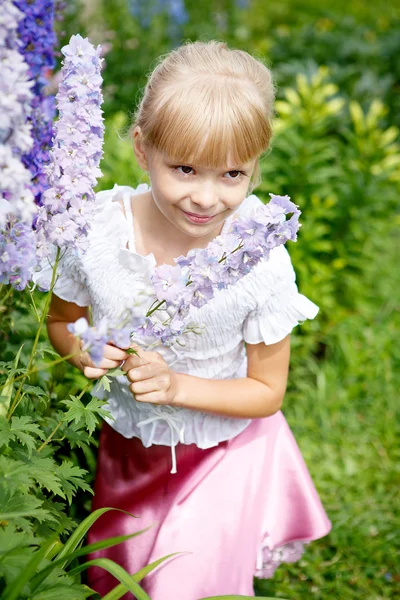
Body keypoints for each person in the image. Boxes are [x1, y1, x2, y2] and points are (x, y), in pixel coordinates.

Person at [43, 40, 331, 599]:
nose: (205, 197)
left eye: (232, 175)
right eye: (184, 168)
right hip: (129, 451)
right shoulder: (97, 231)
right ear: (142, 148)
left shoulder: (259, 258)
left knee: (184, 585)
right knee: (122, 581)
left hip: (222, 450)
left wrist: (175, 385)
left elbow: (266, 392)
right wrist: (86, 350)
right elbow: (61, 322)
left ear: (255, 166)